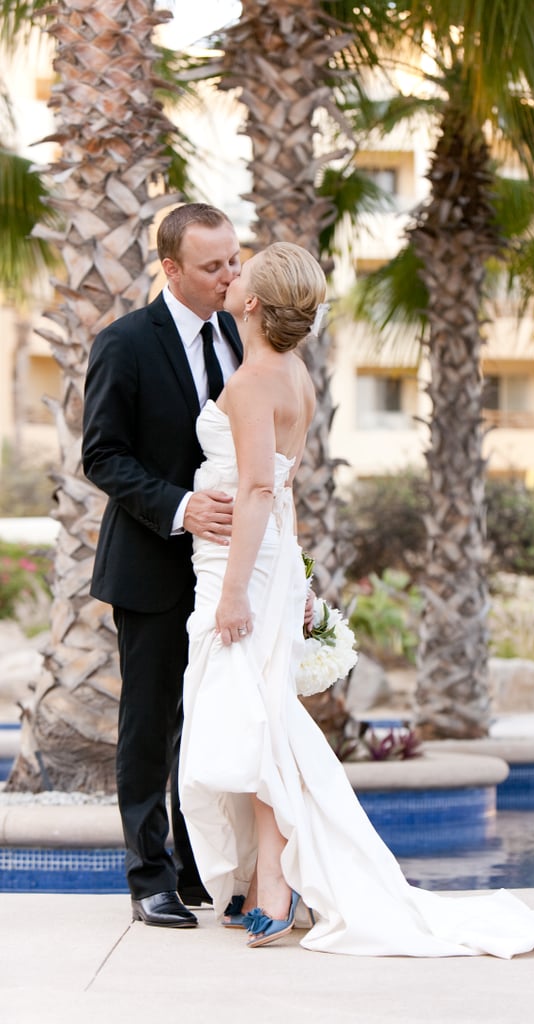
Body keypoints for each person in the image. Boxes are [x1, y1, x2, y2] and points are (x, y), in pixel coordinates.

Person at [178, 241, 534, 956]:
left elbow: (256, 489)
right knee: (260, 721)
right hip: (264, 561)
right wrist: (297, 582)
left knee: (254, 725)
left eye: (240, 270)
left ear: (250, 302)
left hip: (241, 567)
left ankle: (276, 893)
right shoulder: (296, 376)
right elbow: (282, 491)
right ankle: (269, 885)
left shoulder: (252, 385)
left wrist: (232, 594)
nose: (233, 270)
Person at [82, 203, 243, 928]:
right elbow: (102, 455)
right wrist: (181, 506)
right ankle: (150, 878)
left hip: (226, 572)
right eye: (213, 267)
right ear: (170, 269)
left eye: (233, 261)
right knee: (150, 725)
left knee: (212, 718)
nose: (229, 276)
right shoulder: (123, 343)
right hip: (151, 565)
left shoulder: (241, 332)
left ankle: (196, 868)